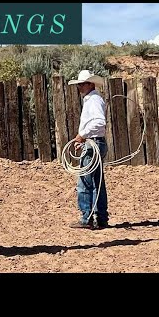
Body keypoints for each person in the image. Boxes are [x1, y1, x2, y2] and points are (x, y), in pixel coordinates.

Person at [67, 70, 109, 229]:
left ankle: (87, 218)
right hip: (94, 143)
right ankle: (101, 218)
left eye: (82, 84)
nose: (80, 86)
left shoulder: (93, 100)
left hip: (93, 144)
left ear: (90, 84)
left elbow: (99, 122)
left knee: (85, 182)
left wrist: (81, 135)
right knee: (97, 182)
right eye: (79, 84)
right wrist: (83, 139)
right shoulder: (93, 99)